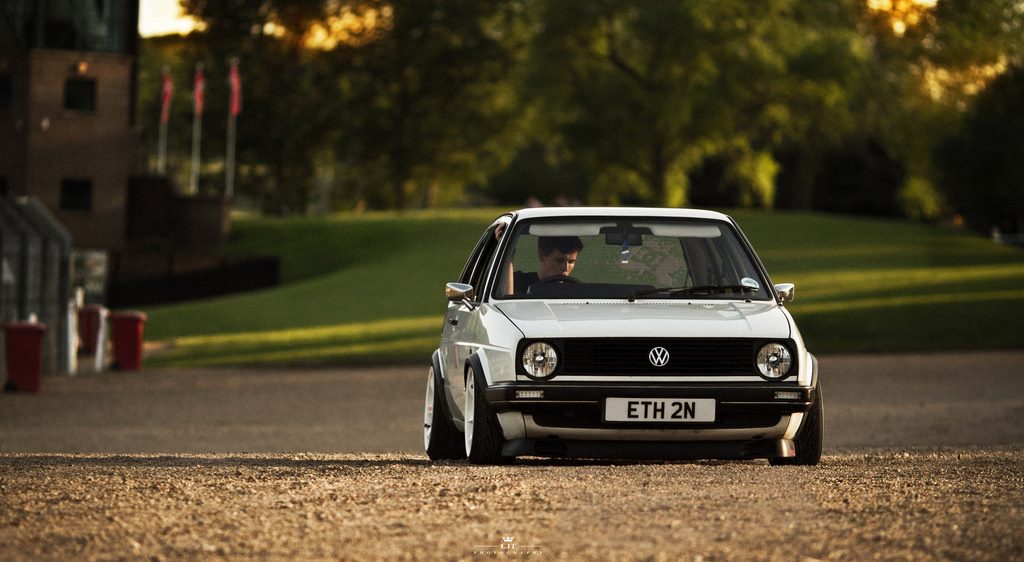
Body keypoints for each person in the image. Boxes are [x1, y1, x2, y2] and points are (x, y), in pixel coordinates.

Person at [496, 224, 584, 295]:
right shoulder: (519, 282)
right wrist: (506, 250)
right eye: (559, 261)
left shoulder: (577, 290)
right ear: (542, 255)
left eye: (571, 262)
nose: (566, 267)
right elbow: (507, 304)